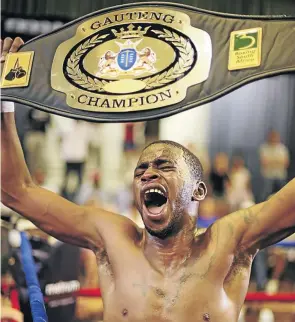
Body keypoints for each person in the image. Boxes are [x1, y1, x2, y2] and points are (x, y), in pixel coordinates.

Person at [2, 37, 295, 322]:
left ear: (198, 190)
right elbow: (17, 191)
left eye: (163, 166)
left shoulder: (227, 245)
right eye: (140, 171)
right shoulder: (112, 239)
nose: (147, 174)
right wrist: (4, 101)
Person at [259, 130, 290, 201]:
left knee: (283, 193)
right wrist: (278, 161)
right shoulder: (264, 148)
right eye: (272, 137)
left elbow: (285, 163)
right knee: (266, 193)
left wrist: (271, 161)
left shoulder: (282, 148)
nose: (274, 138)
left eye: (275, 137)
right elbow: (264, 162)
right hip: (268, 175)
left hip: (280, 175)